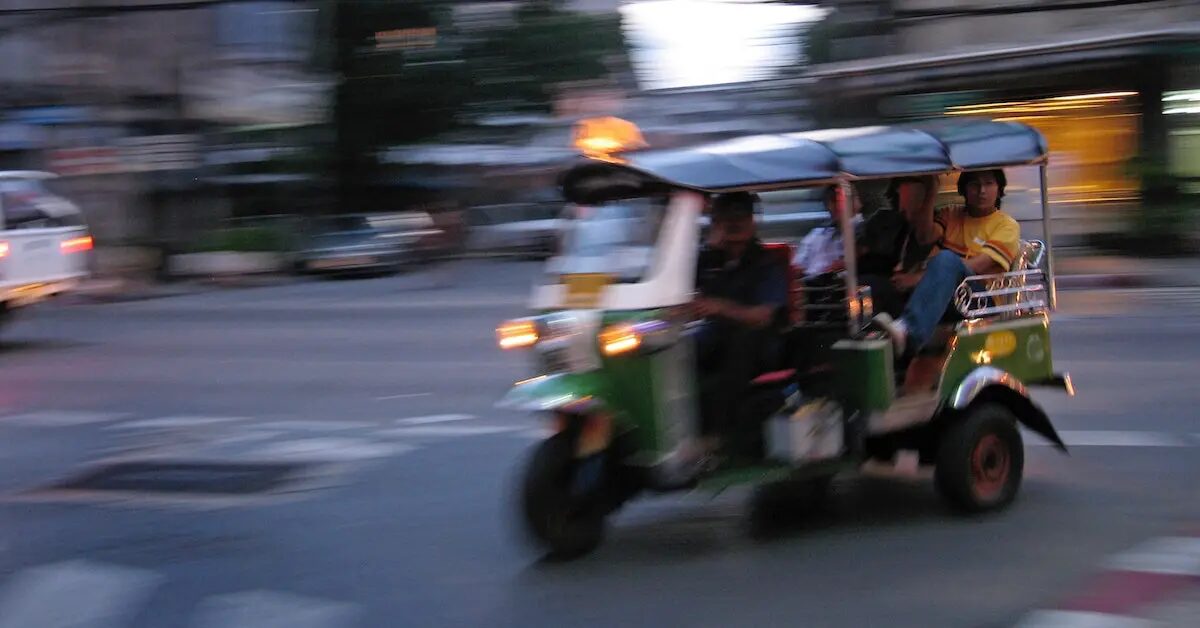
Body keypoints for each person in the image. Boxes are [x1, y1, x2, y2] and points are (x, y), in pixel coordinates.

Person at [873, 169, 1020, 357]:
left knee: (946, 259)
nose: (981, 190)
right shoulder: (950, 214)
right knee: (873, 285)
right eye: (974, 184)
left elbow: (977, 265)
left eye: (989, 184)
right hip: (943, 292)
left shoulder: (1007, 225)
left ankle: (908, 331)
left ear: (999, 190)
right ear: (964, 189)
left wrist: (919, 278)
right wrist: (931, 189)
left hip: (977, 299)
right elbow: (924, 236)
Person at [692, 192, 789, 454]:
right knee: (682, 349)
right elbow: (687, 297)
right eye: (725, 219)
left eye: (740, 217)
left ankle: (720, 435)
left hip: (761, 340)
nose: (734, 224)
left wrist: (720, 307)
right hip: (714, 336)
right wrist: (711, 251)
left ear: (752, 221)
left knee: (740, 344)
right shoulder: (708, 261)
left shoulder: (766, 263)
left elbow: (763, 315)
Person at [857, 176, 938, 317]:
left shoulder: (932, 225)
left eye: (901, 192)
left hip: (917, 293)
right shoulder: (899, 225)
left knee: (871, 285)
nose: (897, 202)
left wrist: (931, 187)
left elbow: (924, 237)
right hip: (897, 282)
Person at [793, 185, 863, 279]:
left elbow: (850, 261)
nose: (831, 207)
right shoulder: (817, 233)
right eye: (831, 202)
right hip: (810, 282)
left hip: (837, 283)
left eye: (838, 201)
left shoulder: (862, 229)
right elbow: (798, 264)